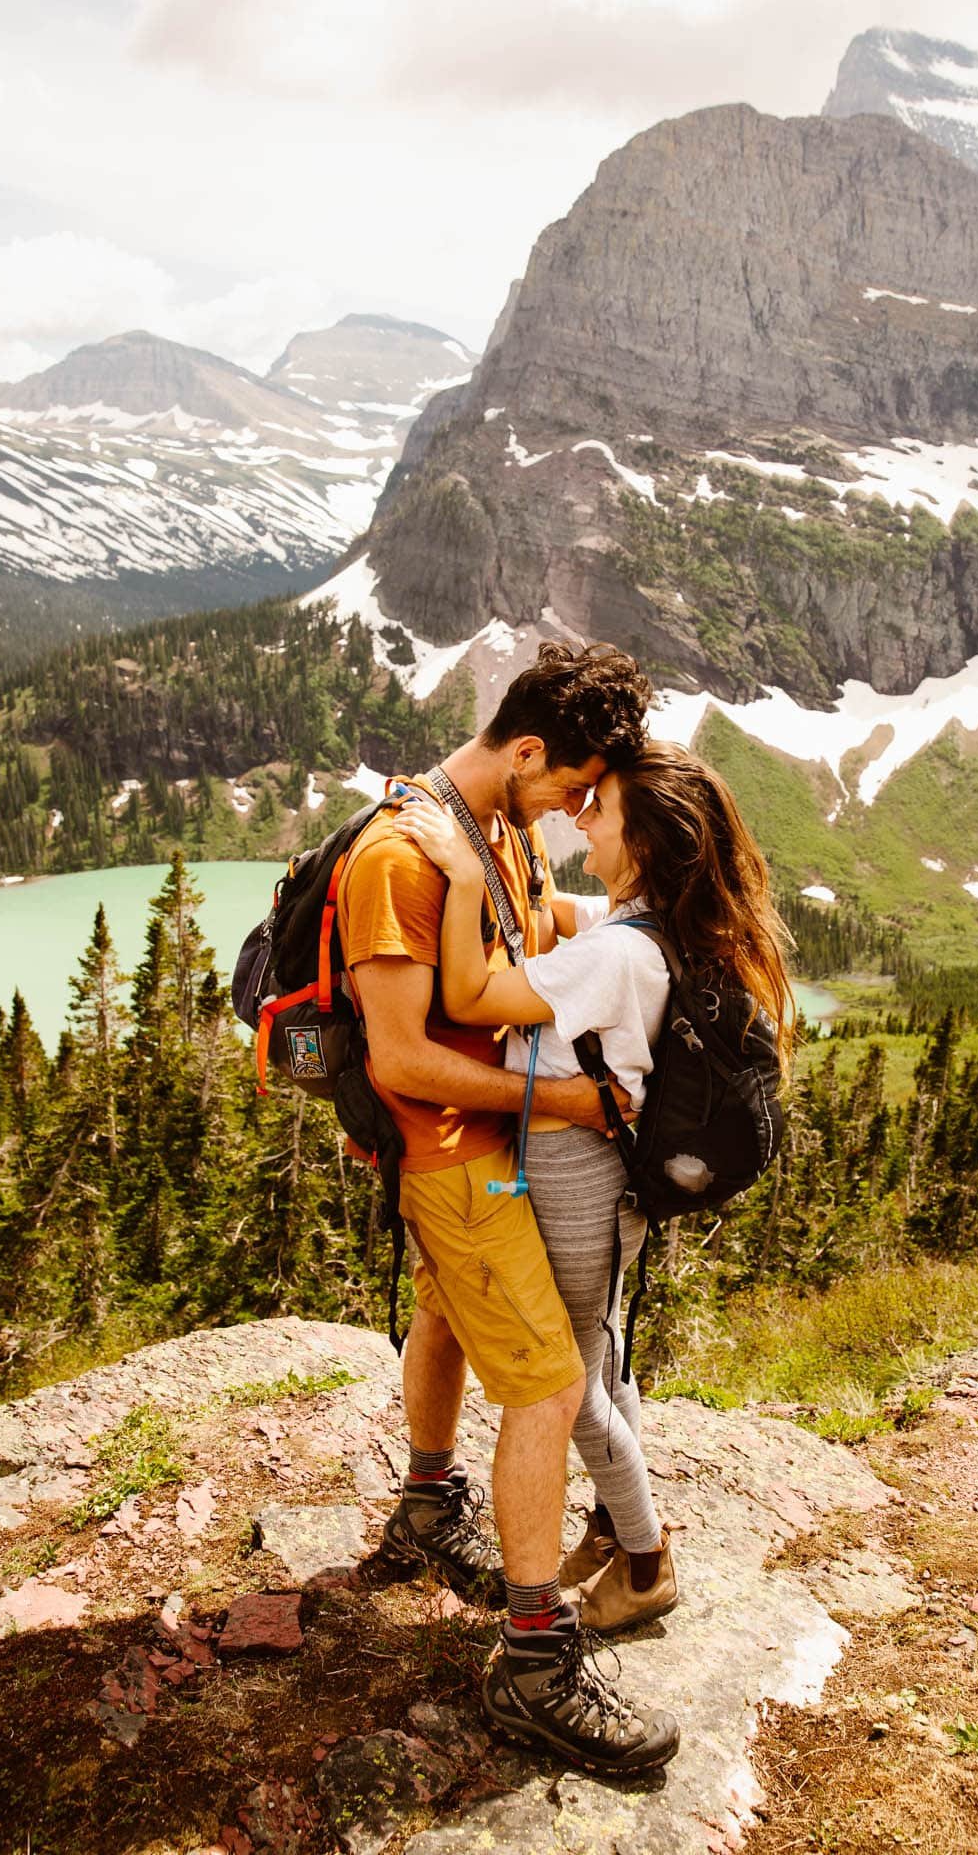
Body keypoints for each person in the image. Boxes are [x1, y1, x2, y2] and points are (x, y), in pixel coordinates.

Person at [337, 642, 681, 1778]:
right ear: (526, 750)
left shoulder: (501, 832)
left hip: (497, 1151)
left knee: (444, 1317)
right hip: (459, 1155)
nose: (579, 806)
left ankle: (429, 1505)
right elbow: (399, 1056)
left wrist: (640, 925)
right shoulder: (401, 855)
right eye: (572, 784)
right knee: (542, 1385)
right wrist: (571, 1097)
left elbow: (522, 945)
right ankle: (535, 1664)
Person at [398, 738, 794, 1639]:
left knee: (565, 1379)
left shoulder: (618, 955)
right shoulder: (667, 928)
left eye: (599, 813)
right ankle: (617, 1522)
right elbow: (568, 918)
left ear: (645, 846)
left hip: (572, 1173)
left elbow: (466, 996)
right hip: (611, 1181)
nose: (582, 821)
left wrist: (463, 878)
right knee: (599, 1355)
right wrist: (530, 881)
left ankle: (647, 1561)